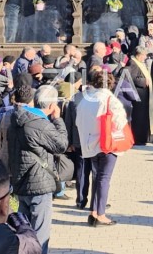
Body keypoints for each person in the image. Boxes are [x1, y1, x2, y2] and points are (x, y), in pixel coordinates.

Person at [7, 85, 68, 254]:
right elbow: (61, 144)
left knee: (23, 232)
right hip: (39, 183)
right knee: (40, 233)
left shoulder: (16, 119)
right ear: (51, 105)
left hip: (21, 180)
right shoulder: (39, 123)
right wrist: (58, 120)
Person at [76, 71, 128, 227]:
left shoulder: (85, 99)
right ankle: (101, 214)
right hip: (107, 143)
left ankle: (93, 212)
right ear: (110, 84)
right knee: (104, 179)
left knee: (97, 178)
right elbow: (120, 122)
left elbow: (79, 122)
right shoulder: (110, 99)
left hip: (90, 143)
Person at [61, 71, 89, 210]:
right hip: (96, 141)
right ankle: (97, 202)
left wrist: (70, 142)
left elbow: (68, 123)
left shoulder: (74, 99)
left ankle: (81, 200)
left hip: (79, 140)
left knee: (82, 170)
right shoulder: (100, 98)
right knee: (97, 172)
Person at [118, 46, 153, 145]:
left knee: (142, 117)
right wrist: (143, 81)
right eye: (144, 55)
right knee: (139, 117)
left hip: (142, 94)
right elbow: (129, 76)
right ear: (139, 55)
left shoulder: (138, 63)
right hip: (138, 94)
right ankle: (138, 138)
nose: (145, 57)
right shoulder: (132, 63)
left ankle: (143, 137)